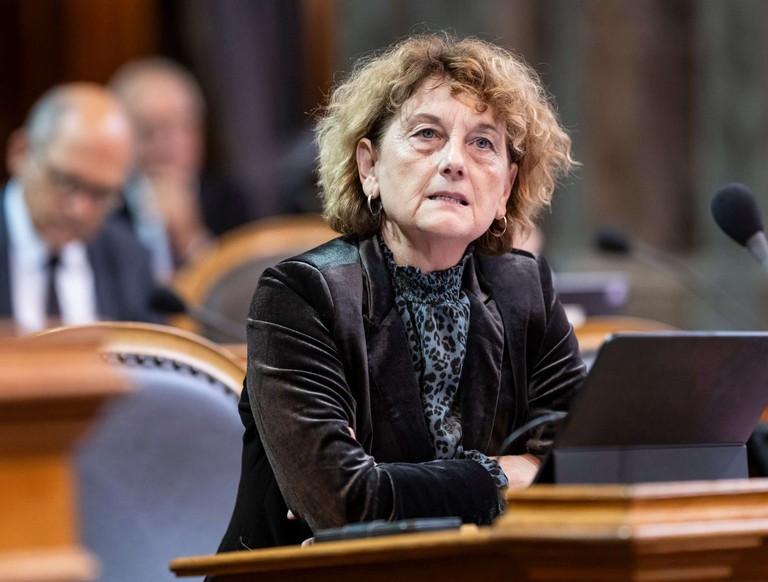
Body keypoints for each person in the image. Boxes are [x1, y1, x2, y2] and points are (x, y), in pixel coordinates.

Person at [216, 33, 585, 552]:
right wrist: (500, 475)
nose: (455, 161)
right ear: (369, 167)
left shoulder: (525, 289)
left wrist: (404, 484)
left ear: (505, 187)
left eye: (483, 143)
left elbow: (581, 464)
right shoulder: (301, 296)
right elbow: (343, 503)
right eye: (427, 134)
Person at [0, 83, 162, 334]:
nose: (80, 210)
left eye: (101, 194)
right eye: (67, 182)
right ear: (20, 153)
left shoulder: (129, 259)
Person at [109, 57, 251, 282]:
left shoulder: (229, 201)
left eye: (180, 127)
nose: (166, 144)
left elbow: (240, 296)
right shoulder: (105, 205)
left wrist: (190, 236)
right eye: (149, 131)